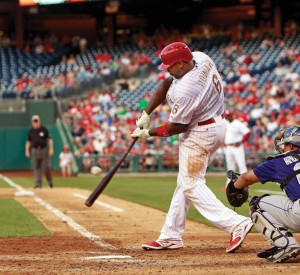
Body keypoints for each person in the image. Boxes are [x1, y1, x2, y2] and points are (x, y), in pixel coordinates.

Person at [131, 42, 253, 252]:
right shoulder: (200, 57)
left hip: (200, 132)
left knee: (191, 184)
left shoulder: (187, 89)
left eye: (170, 66)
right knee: (184, 181)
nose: (167, 69)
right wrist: (147, 112)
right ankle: (171, 235)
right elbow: (167, 83)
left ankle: (235, 223)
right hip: (215, 124)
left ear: (180, 64)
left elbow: (179, 125)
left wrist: (147, 133)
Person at [229, 125, 300, 263]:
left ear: (291, 146)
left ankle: (285, 245)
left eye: (284, 144)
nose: (282, 147)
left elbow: (245, 179)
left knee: (257, 203)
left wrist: (233, 187)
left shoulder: (280, 161)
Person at [25, 115, 54, 188]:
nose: (35, 123)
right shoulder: (31, 131)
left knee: (46, 167)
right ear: (32, 122)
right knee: (36, 167)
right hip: (34, 150)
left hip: (43, 150)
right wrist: (27, 151)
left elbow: (50, 139)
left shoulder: (44, 129)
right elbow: (28, 141)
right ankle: (38, 183)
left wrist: (51, 149)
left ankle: (49, 181)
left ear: (39, 121)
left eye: (36, 121)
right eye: (34, 122)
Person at [223, 110, 251, 185]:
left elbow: (247, 132)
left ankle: (245, 183)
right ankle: (229, 184)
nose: (227, 117)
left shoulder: (238, 123)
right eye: (226, 116)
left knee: (241, 165)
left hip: (237, 147)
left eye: (228, 115)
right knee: (230, 167)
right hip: (228, 147)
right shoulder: (225, 123)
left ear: (232, 115)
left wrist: (241, 141)